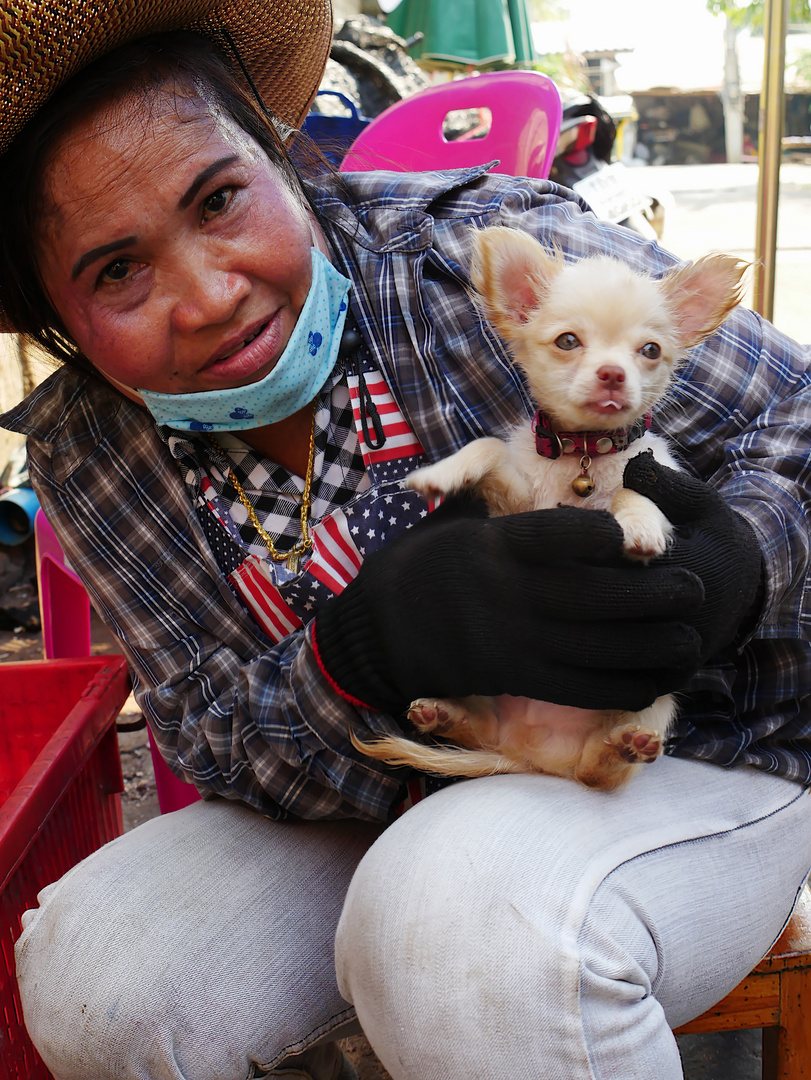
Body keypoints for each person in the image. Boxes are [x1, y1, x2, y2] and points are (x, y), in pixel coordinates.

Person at [1, 2, 809, 1078]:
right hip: (367, 791)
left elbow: (793, 416)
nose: (208, 296)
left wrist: (735, 562)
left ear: (278, 150)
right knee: (101, 976)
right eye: (116, 272)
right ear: (53, 319)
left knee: (464, 926)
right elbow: (207, 736)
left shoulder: (474, 262)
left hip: (695, 750)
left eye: (220, 199)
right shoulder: (91, 454)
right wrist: (357, 655)